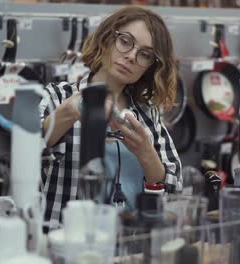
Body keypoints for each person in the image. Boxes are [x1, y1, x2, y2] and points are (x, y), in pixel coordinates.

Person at [39, 6, 182, 229]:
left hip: (130, 246)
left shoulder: (147, 114)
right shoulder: (57, 97)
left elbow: (174, 188)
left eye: (145, 54)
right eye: (125, 41)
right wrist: (69, 112)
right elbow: (28, 155)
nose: (132, 56)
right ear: (107, 38)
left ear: (150, 67)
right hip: (67, 242)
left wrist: (146, 153)